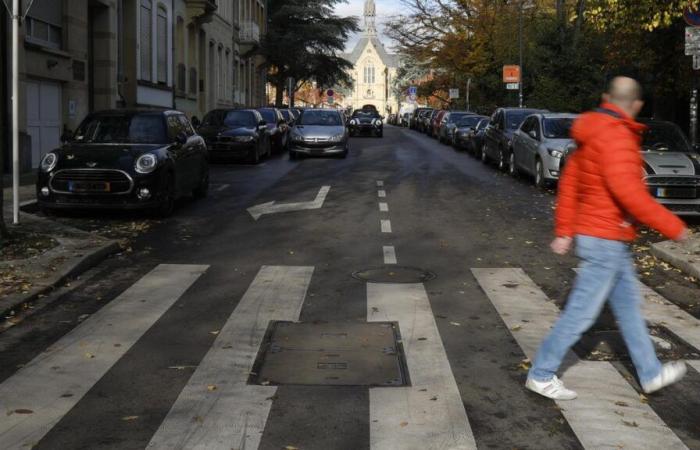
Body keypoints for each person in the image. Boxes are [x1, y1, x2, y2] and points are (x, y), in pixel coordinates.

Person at [526, 76, 690, 401]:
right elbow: (630, 193)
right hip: (605, 238)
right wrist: (674, 226)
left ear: (606, 98)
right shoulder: (617, 137)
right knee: (581, 314)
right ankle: (541, 374)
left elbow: (570, 184)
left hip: (603, 236)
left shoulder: (591, 133)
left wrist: (565, 231)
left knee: (628, 309)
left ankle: (650, 372)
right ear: (637, 105)